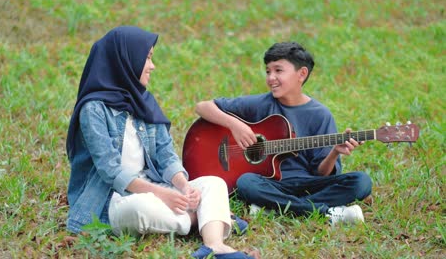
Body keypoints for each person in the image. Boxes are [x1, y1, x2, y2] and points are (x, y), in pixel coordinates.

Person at [65, 26, 255, 259]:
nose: (152, 66)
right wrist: (162, 195)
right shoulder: (93, 109)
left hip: (152, 185)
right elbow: (110, 171)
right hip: (112, 197)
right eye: (147, 58)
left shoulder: (143, 101)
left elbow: (166, 154)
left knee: (214, 183)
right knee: (140, 209)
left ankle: (215, 245)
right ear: (126, 59)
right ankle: (206, 219)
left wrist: (183, 185)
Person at [194, 42, 372, 225]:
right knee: (246, 182)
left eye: (278, 70)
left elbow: (322, 174)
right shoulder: (261, 104)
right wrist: (235, 125)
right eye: (268, 71)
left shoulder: (320, 115)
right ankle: (325, 212)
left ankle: (273, 208)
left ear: (301, 74)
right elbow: (203, 107)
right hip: (269, 183)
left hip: (308, 184)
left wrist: (334, 152)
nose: (271, 78)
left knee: (361, 181)